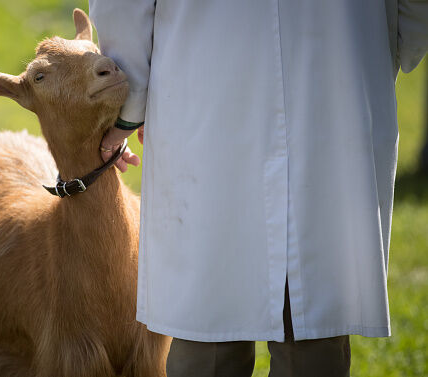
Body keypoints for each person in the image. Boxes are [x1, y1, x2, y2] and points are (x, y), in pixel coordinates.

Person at [88, 1, 428, 376]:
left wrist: (129, 100)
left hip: (202, 82)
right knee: (308, 320)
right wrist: (379, 54)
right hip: (335, 76)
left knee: (211, 318)